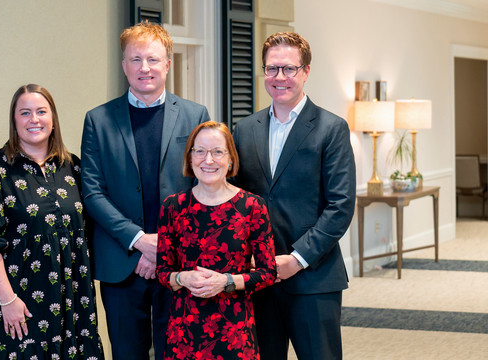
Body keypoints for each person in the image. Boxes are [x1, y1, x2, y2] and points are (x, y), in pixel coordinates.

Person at [80, 21, 210, 360]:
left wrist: (162, 248)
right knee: (127, 353)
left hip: (180, 264)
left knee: (180, 352)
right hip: (121, 263)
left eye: (152, 59)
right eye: (135, 60)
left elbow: (203, 188)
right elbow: (92, 192)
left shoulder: (196, 116)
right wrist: (140, 242)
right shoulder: (98, 120)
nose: (144, 68)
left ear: (168, 63)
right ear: (124, 66)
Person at [233, 32, 356, 360]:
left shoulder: (331, 128)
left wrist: (297, 258)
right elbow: (235, 201)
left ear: (306, 71)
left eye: (289, 69)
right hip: (259, 278)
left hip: (313, 278)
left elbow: (341, 205)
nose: (279, 78)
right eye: (271, 69)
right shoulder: (244, 130)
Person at [0, 84, 104, 359]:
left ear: (53, 119)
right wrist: (8, 300)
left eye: (41, 111)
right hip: (18, 303)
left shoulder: (73, 167)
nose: (34, 119)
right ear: (14, 120)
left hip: (71, 302)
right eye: (25, 113)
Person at [155, 121, 276, 359]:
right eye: (199, 151)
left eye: (217, 152)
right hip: (185, 333)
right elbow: (162, 271)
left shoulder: (252, 206)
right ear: (190, 158)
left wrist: (227, 281)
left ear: (230, 159)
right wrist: (182, 277)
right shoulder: (173, 206)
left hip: (235, 332)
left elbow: (268, 272)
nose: (208, 160)